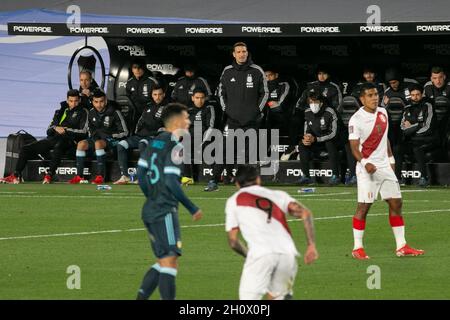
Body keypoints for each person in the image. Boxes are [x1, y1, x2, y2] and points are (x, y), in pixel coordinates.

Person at [348, 82, 425, 259]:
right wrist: (365, 162)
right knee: (364, 206)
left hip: (384, 167)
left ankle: (402, 246)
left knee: (396, 203)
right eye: (370, 95)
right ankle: (357, 247)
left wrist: (391, 159)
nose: (375, 98)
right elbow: (353, 147)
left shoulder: (383, 112)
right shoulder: (356, 120)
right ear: (362, 99)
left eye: (376, 94)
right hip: (367, 169)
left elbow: (385, 138)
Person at [135, 103, 203, 300]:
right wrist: (192, 207)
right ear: (176, 122)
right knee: (171, 261)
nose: (189, 121)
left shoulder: (153, 142)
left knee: (163, 260)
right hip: (164, 210)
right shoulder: (175, 146)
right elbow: (173, 183)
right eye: (186, 118)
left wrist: (151, 196)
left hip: (150, 209)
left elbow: (140, 173)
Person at [225, 165, 318, 300]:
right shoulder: (278, 195)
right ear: (258, 180)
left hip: (260, 254)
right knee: (279, 296)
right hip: (287, 254)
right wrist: (311, 246)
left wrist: (249, 255)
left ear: (237, 184)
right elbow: (306, 214)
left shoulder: (234, 200)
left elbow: (233, 241)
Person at [204, 42, 268, 192]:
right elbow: (220, 92)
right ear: (233, 54)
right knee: (224, 151)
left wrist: (256, 111)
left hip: (251, 121)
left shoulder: (257, 70)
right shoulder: (227, 71)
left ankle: (248, 184)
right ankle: (213, 181)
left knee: (249, 154)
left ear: (247, 53)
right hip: (232, 121)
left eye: (244, 51)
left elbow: (264, 93)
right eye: (238, 52)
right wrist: (228, 110)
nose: (241, 54)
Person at [0, 90, 88, 184]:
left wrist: (65, 130)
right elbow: (49, 130)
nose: (73, 103)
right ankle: (15, 176)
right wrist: (55, 128)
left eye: (76, 101)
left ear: (79, 101)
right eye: (71, 101)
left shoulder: (83, 112)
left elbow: (84, 132)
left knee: (58, 146)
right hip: (53, 138)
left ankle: (49, 176)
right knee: (26, 149)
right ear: (67, 100)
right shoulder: (60, 111)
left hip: (69, 140)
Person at [69, 89, 128, 184]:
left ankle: (100, 176)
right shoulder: (91, 112)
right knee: (81, 144)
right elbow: (90, 129)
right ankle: (79, 176)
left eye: (101, 101)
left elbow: (125, 132)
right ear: (93, 102)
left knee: (98, 144)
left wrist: (110, 136)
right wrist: (93, 136)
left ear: (105, 101)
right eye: (96, 102)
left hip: (114, 140)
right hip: (97, 140)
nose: (98, 104)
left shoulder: (114, 112)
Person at [114, 86, 169, 184]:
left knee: (143, 143)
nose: (157, 97)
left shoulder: (169, 107)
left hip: (154, 137)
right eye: (155, 94)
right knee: (121, 144)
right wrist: (138, 132)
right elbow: (140, 122)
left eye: (160, 94)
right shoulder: (148, 107)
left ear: (164, 95)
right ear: (152, 95)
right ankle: (124, 176)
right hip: (141, 135)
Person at [395, 84, 438, 187]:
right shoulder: (407, 108)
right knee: (397, 148)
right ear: (410, 95)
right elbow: (403, 128)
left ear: (422, 94)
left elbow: (428, 127)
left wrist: (412, 128)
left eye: (417, 94)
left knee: (417, 147)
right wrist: (418, 125)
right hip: (413, 140)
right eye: (413, 95)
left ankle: (424, 178)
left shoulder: (428, 106)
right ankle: (397, 179)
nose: (415, 97)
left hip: (428, 139)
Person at [298, 88, 343, 185]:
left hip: (332, 141)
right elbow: (307, 129)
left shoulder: (330, 112)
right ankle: (306, 176)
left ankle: (335, 175)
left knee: (330, 143)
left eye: (315, 101)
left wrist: (317, 139)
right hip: (316, 142)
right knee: (302, 144)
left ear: (321, 102)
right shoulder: (307, 112)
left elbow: (333, 133)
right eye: (310, 101)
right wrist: (308, 137)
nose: (313, 104)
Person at [183, 88, 216, 184]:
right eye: (197, 98)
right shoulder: (188, 110)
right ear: (192, 98)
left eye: (202, 98)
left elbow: (210, 127)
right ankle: (187, 177)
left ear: (205, 98)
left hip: (206, 139)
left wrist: (203, 142)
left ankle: (214, 177)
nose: (199, 100)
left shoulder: (209, 108)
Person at [264, 67, 291, 132]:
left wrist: (277, 103)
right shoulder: (261, 85)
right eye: (265, 76)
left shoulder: (283, 85)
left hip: (279, 108)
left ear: (276, 75)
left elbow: (284, 99)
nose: (268, 78)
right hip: (266, 109)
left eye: (270, 75)